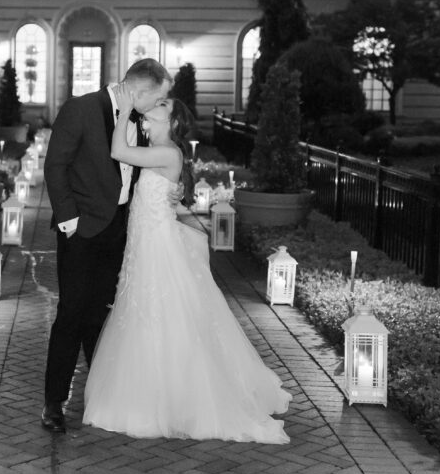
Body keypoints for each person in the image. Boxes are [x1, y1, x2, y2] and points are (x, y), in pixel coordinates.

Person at [82, 87, 291, 443]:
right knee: (142, 310)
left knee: (164, 312)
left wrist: (125, 109)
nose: (154, 106)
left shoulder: (168, 153)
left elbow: (118, 151)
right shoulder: (153, 153)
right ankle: (146, 390)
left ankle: (176, 398)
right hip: (142, 244)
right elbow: (155, 193)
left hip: (157, 247)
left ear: (173, 120)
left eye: (161, 105)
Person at [41, 58, 173, 433]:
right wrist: (69, 221)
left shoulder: (142, 122)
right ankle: (54, 402)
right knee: (71, 314)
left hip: (119, 229)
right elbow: (56, 166)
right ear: (139, 90)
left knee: (100, 315)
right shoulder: (81, 108)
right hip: (81, 230)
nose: (159, 105)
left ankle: (99, 395)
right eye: (158, 97)